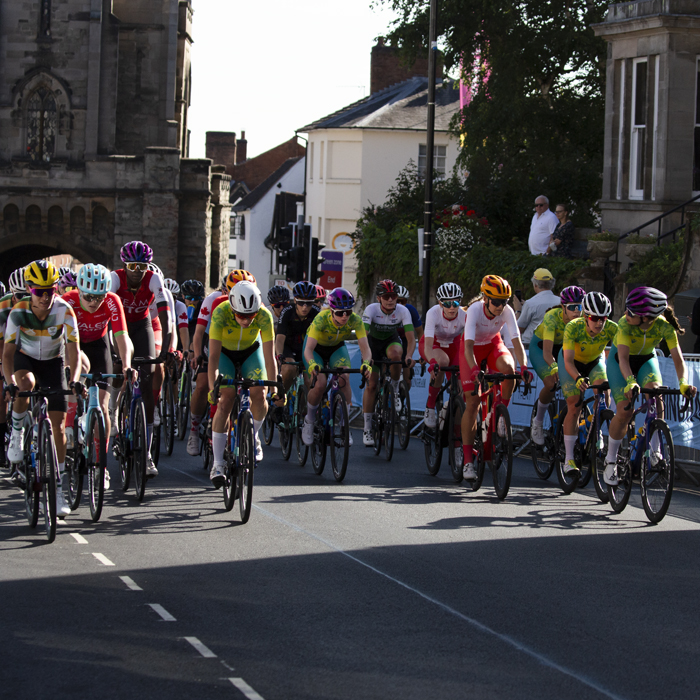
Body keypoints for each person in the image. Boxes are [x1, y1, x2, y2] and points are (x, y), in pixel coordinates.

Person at [3, 260, 82, 517]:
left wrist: (75, 380)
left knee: (59, 427)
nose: (46, 297)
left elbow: (74, 351)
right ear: (29, 289)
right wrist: (9, 382)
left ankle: (58, 490)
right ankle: (16, 432)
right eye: (39, 291)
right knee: (25, 384)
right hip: (25, 359)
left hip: (53, 362)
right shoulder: (18, 311)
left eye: (50, 290)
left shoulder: (65, 310)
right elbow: (7, 354)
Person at [604, 287, 697, 485]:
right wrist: (630, 381)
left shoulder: (663, 326)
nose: (626, 314)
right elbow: (622, 359)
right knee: (624, 411)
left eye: (631, 312)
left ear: (647, 318)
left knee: (657, 396)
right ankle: (610, 459)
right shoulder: (624, 324)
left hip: (646, 359)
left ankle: (655, 451)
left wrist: (683, 383)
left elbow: (678, 359)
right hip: (621, 362)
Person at [62, 264, 134, 488]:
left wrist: (127, 365)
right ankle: (70, 426)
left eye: (99, 297)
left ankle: (101, 466)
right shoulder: (69, 300)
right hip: (72, 345)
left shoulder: (112, 301)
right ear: (79, 290)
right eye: (89, 297)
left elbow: (121, 337)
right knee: (77, 373)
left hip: (98, 344)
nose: (94, 302)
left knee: (103, 407)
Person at [460, 275, 532, 480]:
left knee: (510, 369)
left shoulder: (507, 311)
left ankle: (499, 413)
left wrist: (524, 366)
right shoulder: (474, 310)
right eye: (497, 301)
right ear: (485, 298)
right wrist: (474, 369)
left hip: (492, 345)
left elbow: (517, 342)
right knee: (472, 402)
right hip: (472, 350)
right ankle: (467, 461)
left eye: (505, 301)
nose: (501, 306)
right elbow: (467, 347)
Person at [207, 281, 277, 486]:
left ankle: (252, 435)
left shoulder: (264, 315)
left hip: (250, 353)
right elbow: (212, 357)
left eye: (251, 315)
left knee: (260, 394)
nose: (247, 321)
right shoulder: (220, 313)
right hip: (225, 355)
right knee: (225, 400)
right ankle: (218, 463)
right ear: (232, 308)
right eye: (241, 316)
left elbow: (269, 355)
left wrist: (274, 389)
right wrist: (213, 387)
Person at [111, 241, 171, 477]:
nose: (137, 271)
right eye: (133, 266)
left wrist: (164, 351)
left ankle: (146, 453)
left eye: (142, 266)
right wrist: (112, 349)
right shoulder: (114, 279)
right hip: (118, 325)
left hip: (142, 325)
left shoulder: (153, 279)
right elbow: (107, 316)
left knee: (148, 381)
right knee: (117, 367)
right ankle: (113, 409)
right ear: (125, 265)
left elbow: (166, 318)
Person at [187, 270, 254, 456]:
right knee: (203, 386)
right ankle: (194, 429)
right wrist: (198, 355)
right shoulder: (213, 300)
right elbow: (199, 332)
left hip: (240, 348)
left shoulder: (250, 302)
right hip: (215, 343)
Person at [302, 288, 371, 446]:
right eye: (340, 313)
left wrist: (366, 363)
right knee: (319, 383)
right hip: (315, 349)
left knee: (344, 377)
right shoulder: (321, 318)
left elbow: (366, 349)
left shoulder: (355, 320)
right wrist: (312, 364)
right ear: (332, 311)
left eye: (348, 311)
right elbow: (308, 349)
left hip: (336, 348)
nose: (345, 316)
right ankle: (309, 420)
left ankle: (345, 426)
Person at [559, 292, 618, 476]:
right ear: (585, 317)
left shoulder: (613, 329)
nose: (599, 323)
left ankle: (598, 426)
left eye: (603, 318)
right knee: (574, 405)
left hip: (594, 361)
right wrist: (577, 378)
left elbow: (622, 357)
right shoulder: (573, 327)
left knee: (604, 387)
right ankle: (569, 459)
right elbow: (568, 361)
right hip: (572, 363)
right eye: (594, 318)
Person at [361, 280, 415, 446]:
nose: (391, 300)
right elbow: (363, 337)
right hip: (373, 345)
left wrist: (409, 355)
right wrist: (366, 358)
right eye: (386, 296)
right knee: (371, 385)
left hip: (391, 341)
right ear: (379, 298)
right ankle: (368, 428)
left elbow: (411, 338)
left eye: (393, 296)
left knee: (397, 355)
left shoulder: (403, 311)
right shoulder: (371, 309)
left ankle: (396, 389)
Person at [528, 285, 585, 445]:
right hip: (541, 347)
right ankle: (538, 421)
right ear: (563, 307)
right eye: (572, 307)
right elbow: (547, 352)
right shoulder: (552, 317)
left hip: (563, 348)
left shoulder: (582, 321)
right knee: (551, 383)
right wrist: (554, 367)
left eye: (580, 307)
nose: (577, 311)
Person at [420, 283, 466, 429]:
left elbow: (468, 346)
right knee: (442, 361)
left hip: (453, 345)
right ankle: (430, 405)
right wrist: (432, 361)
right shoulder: (433, 313)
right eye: (447, 303)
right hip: (433, 344)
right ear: (440, 303)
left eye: (456, 302)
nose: (452, 307)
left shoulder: (465, 316)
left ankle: (456, 433)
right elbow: (427, 344)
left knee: (461, 386)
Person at [275, 280, 320, 399]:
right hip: (288, 346)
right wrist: (279, 355)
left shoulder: (316, 313)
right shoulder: (287, 311)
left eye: (309, 303)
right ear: (294, 300)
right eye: (301, 303)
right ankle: (280, 397)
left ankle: (307, 411)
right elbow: (279, 338)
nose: (304, 307)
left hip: (306, 348)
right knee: (289, 368)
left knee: (311, 379)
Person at [511, 268, 560, 346]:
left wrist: (518, 310)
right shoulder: (560, 302)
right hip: (554, 344)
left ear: (535, 285)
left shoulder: (530, 304)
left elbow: (518, 329)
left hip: (530, 344)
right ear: (552, 284)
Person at [396, 284, 423, 386]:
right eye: (396, 301)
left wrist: (422, 354)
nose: (399, 304)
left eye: (402, 301)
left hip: (404, 338)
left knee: (407, 379)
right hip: (389, 338)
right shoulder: (388, 310)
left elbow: (420, 333)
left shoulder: (410, 310)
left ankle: (404, 391)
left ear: (406, 302)